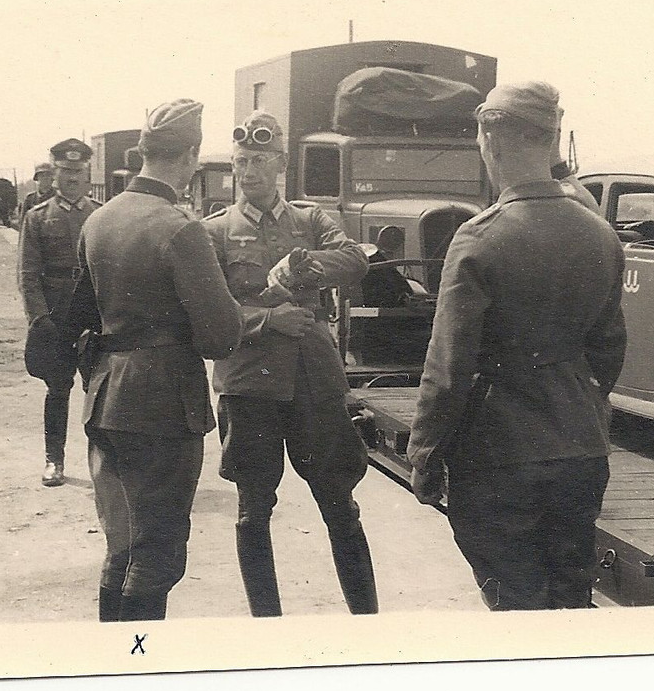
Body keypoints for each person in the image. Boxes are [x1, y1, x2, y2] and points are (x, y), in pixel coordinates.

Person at [408, 82, 627, 611]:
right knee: (571, 601)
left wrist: (425, 454)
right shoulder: (600, 234)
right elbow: (610, 348)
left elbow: (449, 366)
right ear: (551, 140)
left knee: (516, 609)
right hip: (581, 450)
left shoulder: (480, 238)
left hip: (499, 455)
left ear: (492, 140)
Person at [203, 110, 378, 617]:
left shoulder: (311, 220)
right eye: (241, 161)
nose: (250, 170)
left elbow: (355, 259)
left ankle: (368, 625)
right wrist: (265, 319)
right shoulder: (214, 232)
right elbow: (209, 310)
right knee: (253, 511)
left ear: (280, 163)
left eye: (260, 160)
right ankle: (269, 630)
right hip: (248, 386)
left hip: (312, 382)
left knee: (339, 505)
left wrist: (300, 269)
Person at [78, 99, 242, 622]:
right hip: (162, 406)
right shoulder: (180, 229)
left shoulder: (98, 221)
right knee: (155, 557)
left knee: (121, 546)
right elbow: (220, 336)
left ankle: (111, 664)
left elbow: (76, 318)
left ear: (143, 152)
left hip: (105, 399)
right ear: (190, 157)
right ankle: (138, 664)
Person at [18, 138, 102, 487]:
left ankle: (104, 463)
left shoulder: (100, 214)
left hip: (94, 315)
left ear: (87, 174)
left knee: (100, 390)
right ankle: (55, 460)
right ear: (54, 175)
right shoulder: (38, 217)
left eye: (78, 172)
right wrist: (40, 319)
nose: (72, 178)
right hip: (57, 316)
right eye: (65, 171)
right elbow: (27, 274)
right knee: (57, 389)